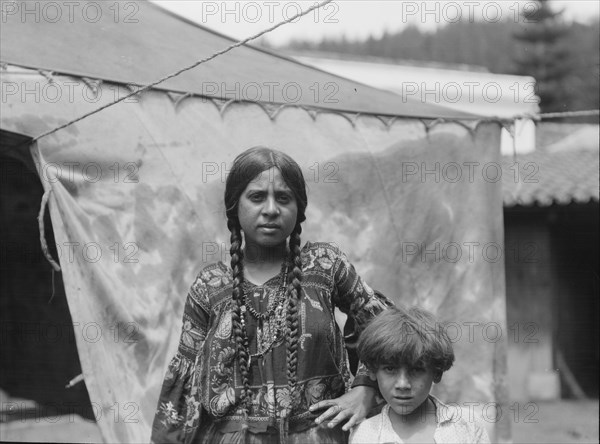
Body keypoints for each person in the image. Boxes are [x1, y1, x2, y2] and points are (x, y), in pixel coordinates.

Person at [151, 146, 395, 444]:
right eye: (256, 197)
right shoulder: (210, 286)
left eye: (283, 198)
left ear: (299, 208)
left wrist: (365, 389)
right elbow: (183, 395)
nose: (270, 209)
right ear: (234, 207)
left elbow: (383, 326)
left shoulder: (325, 265)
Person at [349, 306, 490, 444]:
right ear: (373, 371)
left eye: (416, 370)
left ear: (437, 372)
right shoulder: (366, 435)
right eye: (390, 369)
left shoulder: (466, 425)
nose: (402, 384)